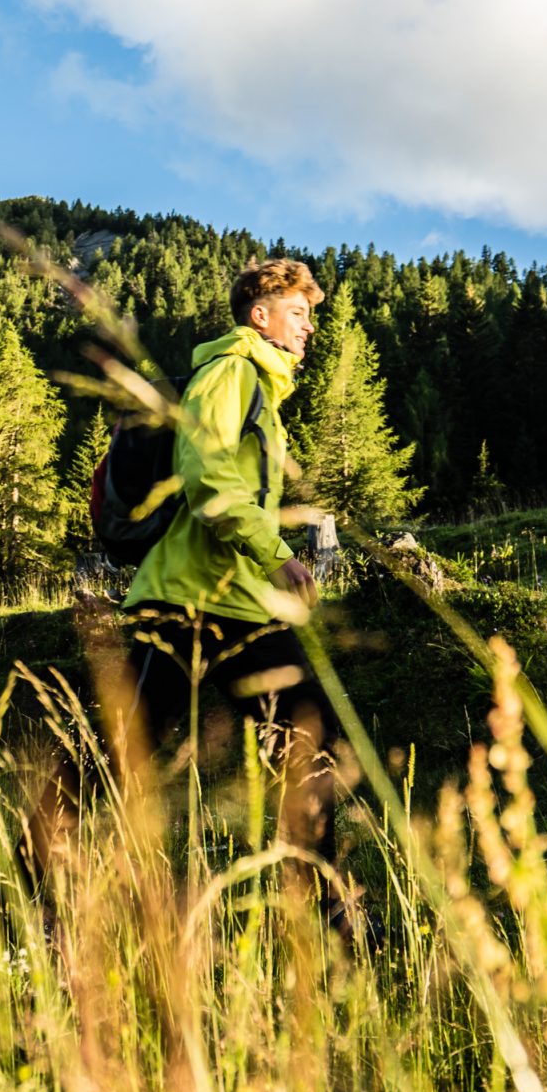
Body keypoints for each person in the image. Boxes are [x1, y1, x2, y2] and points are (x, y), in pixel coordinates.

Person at [118, 258, 343, 892]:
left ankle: (326, 911)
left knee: (308, 745)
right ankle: (36, 881)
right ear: (259, 314)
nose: (308, 328)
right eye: (298, 314)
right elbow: (208, 481)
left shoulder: (263, 390)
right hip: (185, 601)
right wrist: (276, 553)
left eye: (310, 316)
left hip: (239, 605)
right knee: (116, 756)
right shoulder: (230, 374)